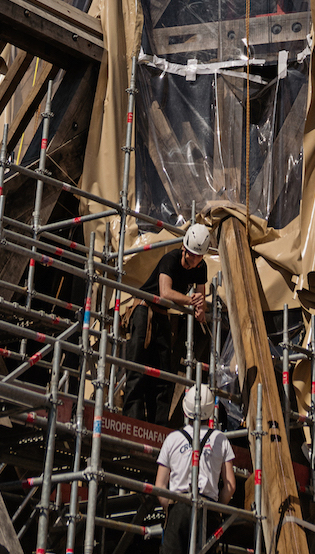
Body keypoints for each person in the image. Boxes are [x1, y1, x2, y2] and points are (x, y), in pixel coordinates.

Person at [124, 221, 213, 421]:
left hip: (163, 315)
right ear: (184, 248)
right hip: (144, 310)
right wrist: (192, 301)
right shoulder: (170, 259)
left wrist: (200, 307)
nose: (195, 259)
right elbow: (165, 292)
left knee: (163, 374)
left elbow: (200, 300)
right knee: (137, 366)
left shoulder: (201, 267)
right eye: (192, 254)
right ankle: (132, 420)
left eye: (199, 256)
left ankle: (158, 425)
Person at [154, 381, 236, 553]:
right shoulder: (221, 439)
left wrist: (170, 508)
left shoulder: (172, 439)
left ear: (185, 410)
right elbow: (230, 486)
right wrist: (218, 508)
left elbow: (160, 486)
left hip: (179, 506)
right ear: (211, 411)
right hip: (208, 509)